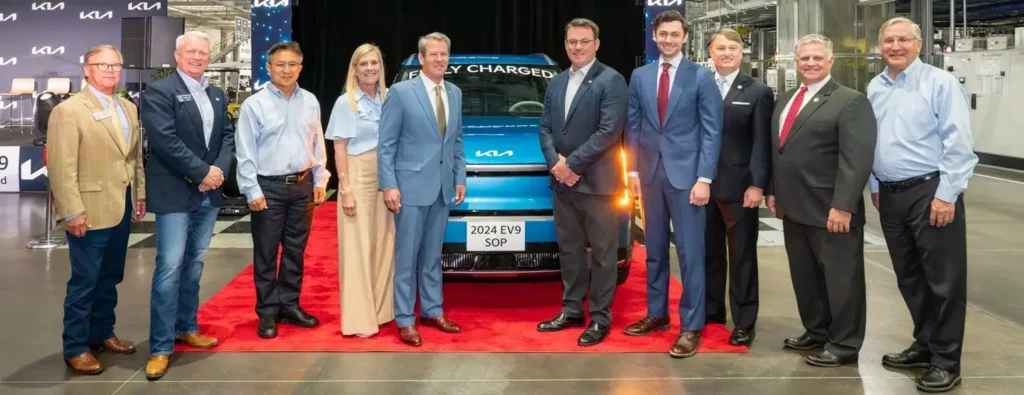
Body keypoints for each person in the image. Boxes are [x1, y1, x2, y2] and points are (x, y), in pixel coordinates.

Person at [867, 17, 976, 393]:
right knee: (909, 277)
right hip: (891, 194)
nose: (895, 46)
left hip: (931, 193)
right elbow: (874, 140)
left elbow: (959, 143)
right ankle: (926, 343)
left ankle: (947, 361)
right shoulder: (876, 87)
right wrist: (875, 183)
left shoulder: (940, 83)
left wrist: (948, 194)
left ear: (918, 43)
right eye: (888, 41)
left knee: (943, 281)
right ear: (880, 46)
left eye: (903, 40)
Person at [765, 34, 877, 367]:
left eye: (817, 58)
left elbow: (856, 159)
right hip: (793, 208)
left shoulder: (849, 101)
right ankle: (816, 331)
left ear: (830, 61)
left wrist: (843, 205)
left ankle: (844, 343)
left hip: (831, 210)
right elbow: (779, 151)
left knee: (842, 281)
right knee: (806, 277)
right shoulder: (785, 99)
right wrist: (773, 190)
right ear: (795, 62)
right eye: (804, 59)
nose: (810, 63)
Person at [622, 10, 723, 358]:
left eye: (674, 34)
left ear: (685, 37)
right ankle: (657, 314)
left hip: (688, 178)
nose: (668, 39)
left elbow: (712, 132)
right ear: (654, 34)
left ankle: (691, 326)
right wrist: (632, 171)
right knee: (653, 251)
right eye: (662, 33)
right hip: (649, 175)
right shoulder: (640, 75)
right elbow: (633, 125)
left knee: (691, 254)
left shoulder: (701, 78)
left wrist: (704, 178)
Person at [140, 31, 236, 380]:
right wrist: (202, 172)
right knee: (168, 269)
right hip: (175, 194)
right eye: (191, 51)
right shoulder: (159, 92)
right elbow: (165, 141)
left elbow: (227, 135)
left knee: (194, 265)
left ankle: (186, 326)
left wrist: (219, 171)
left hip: (207, 195)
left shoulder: (215, 93)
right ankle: (161, 347)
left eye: (202, 52)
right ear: (177, 54)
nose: (197, 57)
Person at [47, 44, 145, 374]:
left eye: (116, 65)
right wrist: (72, 210)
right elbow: (61, 167)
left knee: (110, 277)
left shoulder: (127, 108)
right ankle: (75, 346)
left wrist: (139, 194)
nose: (111, 71)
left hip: (121, 205)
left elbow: (133, 159)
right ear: (86, 69)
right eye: (103, 65)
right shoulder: (70, 111)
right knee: (85, 281)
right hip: (88, 209)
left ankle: (102, 333)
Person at [536, 18, 628, 347]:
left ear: (596, 44)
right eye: (572, 41)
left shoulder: (612, 80)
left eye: (584, 41)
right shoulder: (557, 82)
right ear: (565, 44)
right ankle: (572, 309)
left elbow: (608, 132)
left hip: (599, 184)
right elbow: (545, 128)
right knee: (570, 251)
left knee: (603, 255)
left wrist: (570, 164)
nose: (577, 46)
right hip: (563, 184)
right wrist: (555, 164)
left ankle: (600, 317)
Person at [235, 41, 330, 339]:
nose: (286, 70)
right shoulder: (255, 104)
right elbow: (245, 150)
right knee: (265, 253)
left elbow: (317, 142)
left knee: (295, 252)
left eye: (292, 64)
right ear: (268, 67)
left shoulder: (311, 101)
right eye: (280, 64)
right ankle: (267, 312)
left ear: (300, 67)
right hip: (268, 188)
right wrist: (251, 189)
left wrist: (319, 179)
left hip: (302, 186)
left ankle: (289, 305)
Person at [377, 32, 466, 347]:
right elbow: (385, 145)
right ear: (421, 58)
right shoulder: (401, 93)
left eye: (444, 54)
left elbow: (455, 141)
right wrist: (388, 184)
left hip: (442, 189)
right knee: (407, 257)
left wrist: (460, 177)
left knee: (432, 256)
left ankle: (432, 310)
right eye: (434, 54)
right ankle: (404, 319)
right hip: (410, 189)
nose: (440, 59)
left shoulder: (454, 92)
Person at [703, 28, 774, 347]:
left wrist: (758, 184)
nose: (726, 53)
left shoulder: (757, 91)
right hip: (702, 187)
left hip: (740, 188)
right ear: (711, 53)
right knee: (710, 254)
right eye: (720, 48)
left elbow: (762, 143)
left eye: (732, 47)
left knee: (743, 255)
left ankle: (745, 320)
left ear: (742, 53)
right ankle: (711, 312)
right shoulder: (700, 87)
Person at [325, 43, 395, 337]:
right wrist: (346, 188)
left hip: (388, 175)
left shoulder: (390, 98)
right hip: (358, 172)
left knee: (384, 245)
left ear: (381, 68)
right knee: (357, 246)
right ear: (354, 68)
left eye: (374, 63)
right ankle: (358, 319)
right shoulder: (346, 102)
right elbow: (338, 148)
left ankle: (381, 311)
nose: (369, 68)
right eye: (363, 63)